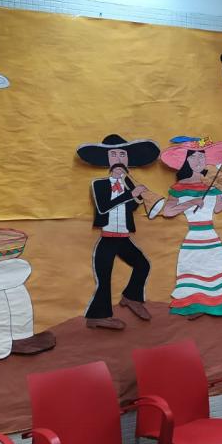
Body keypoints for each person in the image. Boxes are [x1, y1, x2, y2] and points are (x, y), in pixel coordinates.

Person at [159, 136, 222, 319]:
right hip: (194, 235)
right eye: (193, 157)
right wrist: (190, 202)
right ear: (186, 161)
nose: (198, 160)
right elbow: (168, 211)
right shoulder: (179, 186)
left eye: (201, 156)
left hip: (210, 234)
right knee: (193, 269)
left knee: (219, 266)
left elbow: (217, 207)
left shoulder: (211, 184)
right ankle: (195, 305)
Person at [76, 134, 160, 329]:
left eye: (123, 155)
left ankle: (131, 297)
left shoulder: (128, 184)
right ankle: (98, 316)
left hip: (124, 238)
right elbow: (103, 207)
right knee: (104, 278)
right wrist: (130, 194)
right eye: (114, 155)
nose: (119, 159)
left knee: (143, 264)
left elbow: (131, 208)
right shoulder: (99, 184)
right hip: (107, 238)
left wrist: (141, 197)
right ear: (108, 160)